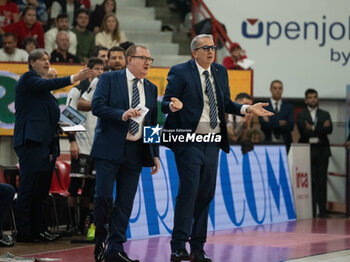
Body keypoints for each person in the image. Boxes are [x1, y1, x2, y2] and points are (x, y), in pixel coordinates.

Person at [161, 34, 273, 262]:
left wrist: (248, 108)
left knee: (205, 194)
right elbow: (165, 102)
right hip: (189, 141)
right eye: (205, 48)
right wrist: (173, 105)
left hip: (212, 142)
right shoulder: (180, 71)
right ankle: (178, 245)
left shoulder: (221, 72)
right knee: (189, 192)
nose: (211, 51)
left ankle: (198, 248)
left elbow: (226, 103)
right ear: (195, 53)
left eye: (213, 47)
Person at [13, 49, 91, 243]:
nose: (47, 62)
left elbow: (58, 118)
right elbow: (49, 83)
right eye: (43, 59)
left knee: (40, 192)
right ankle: (24, 231)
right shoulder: (28, 80)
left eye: (48, 59)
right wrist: (75, 77)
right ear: (32, 62)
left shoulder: (46, 94)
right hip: (31, 142)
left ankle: (39, 230)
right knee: (28, 188)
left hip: (46, 145)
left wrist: (72, 129)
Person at [91, 45, 159, 262]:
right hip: (109, 148)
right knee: (103, 198)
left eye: (150, 59)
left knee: (125, 202)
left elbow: (153, 123)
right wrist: (121, 114)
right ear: (130, 60)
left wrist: (154, 153)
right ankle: (101, 239)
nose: (148, 62)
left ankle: (115, 248)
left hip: (136, 150)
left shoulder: (151, 87)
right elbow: (97, 107)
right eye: (144, 58)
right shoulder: (109, 79)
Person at [65, 57, 104, 235]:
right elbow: (68, 117)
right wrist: (72, 141)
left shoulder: (102, 91)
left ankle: (83, 225)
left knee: (90, 188)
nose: (99, 72)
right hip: (80, 145)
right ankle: (70, 224)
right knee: (74, 186)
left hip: (96, 146)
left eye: (102, 69)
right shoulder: (77, 90)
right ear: (88, 70)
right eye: (96, 69)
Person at [297, 88, 332, 218]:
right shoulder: (301, 114)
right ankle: (310, 211)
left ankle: (322, 210)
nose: (313, 99)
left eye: (315, 97)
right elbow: (303, 132)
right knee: (310, 180)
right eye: (310, 97)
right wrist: (321, 128)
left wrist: (312, 128)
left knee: (322, 180)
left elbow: (329, 130)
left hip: (322, 150)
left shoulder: (325, 114)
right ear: (306, 100)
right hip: (307, 150)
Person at [78, 46, 126, 112]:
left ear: (126, 60)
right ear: (108, 61)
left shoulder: (133, 79)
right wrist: (102, 106)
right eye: (113, 58)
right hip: (107, 120)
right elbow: (81, 104)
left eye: (120, 58)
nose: (117, 60)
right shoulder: (100, 79)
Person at [259, 80, 294, 152]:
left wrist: (271, 122)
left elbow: (291, 126)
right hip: (267, 142)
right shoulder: (264, 106)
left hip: (285, 143)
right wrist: (279, 123)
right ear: (270, 89)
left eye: (280, 88)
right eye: (275, 88)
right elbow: (264, 125)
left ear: (282, 90)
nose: (277, 91)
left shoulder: (289, 107)